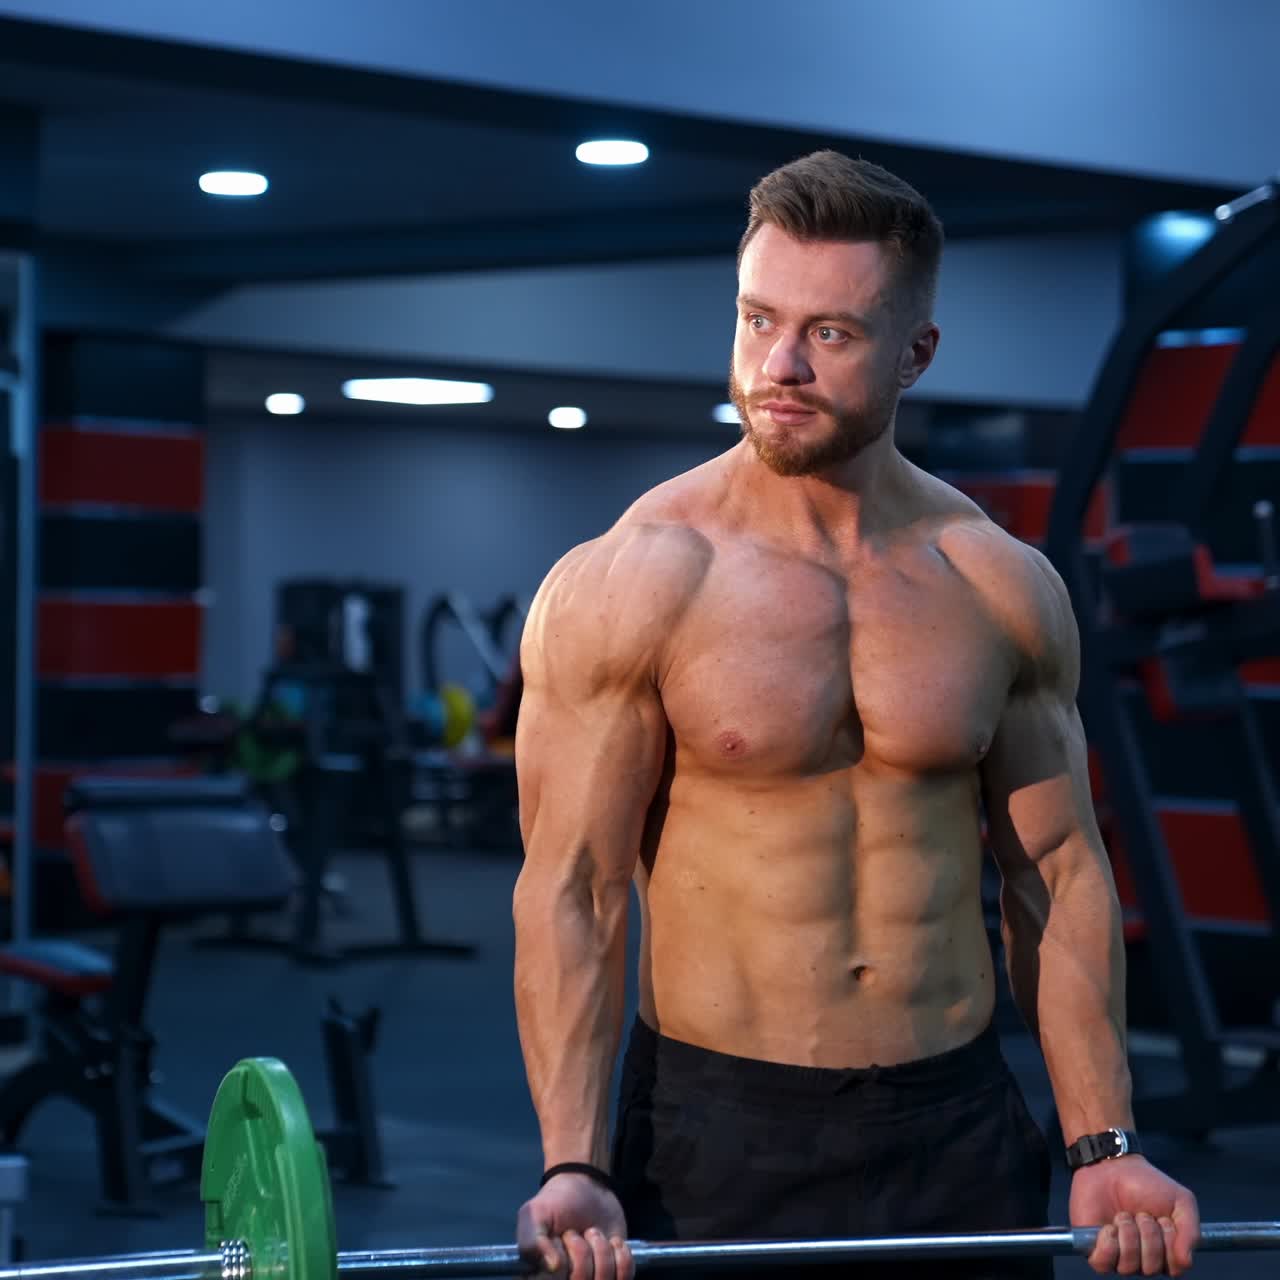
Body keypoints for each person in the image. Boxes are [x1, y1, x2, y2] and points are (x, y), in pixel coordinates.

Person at [511, 150, 1200, 1279]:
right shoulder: (638, 576)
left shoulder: (994, 582)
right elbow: (572, 890)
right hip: (712, 1130)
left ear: (914, 351)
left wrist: (1102, 1139)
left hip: (954, 1124)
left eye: (829, 332)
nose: (777, 364)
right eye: (756, 318)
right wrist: (570, 1161)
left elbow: (1057, 872)